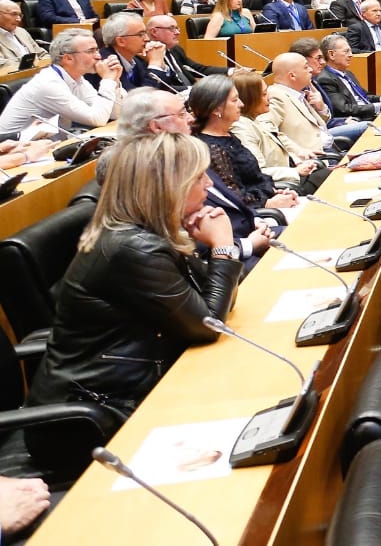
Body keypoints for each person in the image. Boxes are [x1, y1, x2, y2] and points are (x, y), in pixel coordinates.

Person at [23, 134, 242, 475]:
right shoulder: (133, 247)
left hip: (128, 385)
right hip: (86, 420)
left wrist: (204, 247)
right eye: (199, 177)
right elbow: (209, 324)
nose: (207, 185)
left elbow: (209, 303)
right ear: (168, 186)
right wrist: (223, 246)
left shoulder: (144, 231)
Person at [189, 75, 296, 265]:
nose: (241, 104)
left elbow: (256, 177)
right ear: (216, 109)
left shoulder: (229, 135)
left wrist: (274, 191)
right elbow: (235, 197)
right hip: (245, 227)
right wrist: (269, 202)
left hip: (259, 213)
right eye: (234, 100)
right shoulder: (210, 148)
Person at [230, 70, 323, 188]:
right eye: (264, 94)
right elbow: (258, 171)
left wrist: (297, 160)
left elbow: (279, 144)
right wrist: (296, 171)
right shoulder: (242, 128)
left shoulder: (256, 119)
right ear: (249, 99)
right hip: (282, 186)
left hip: (294, 173)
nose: (268, 97)